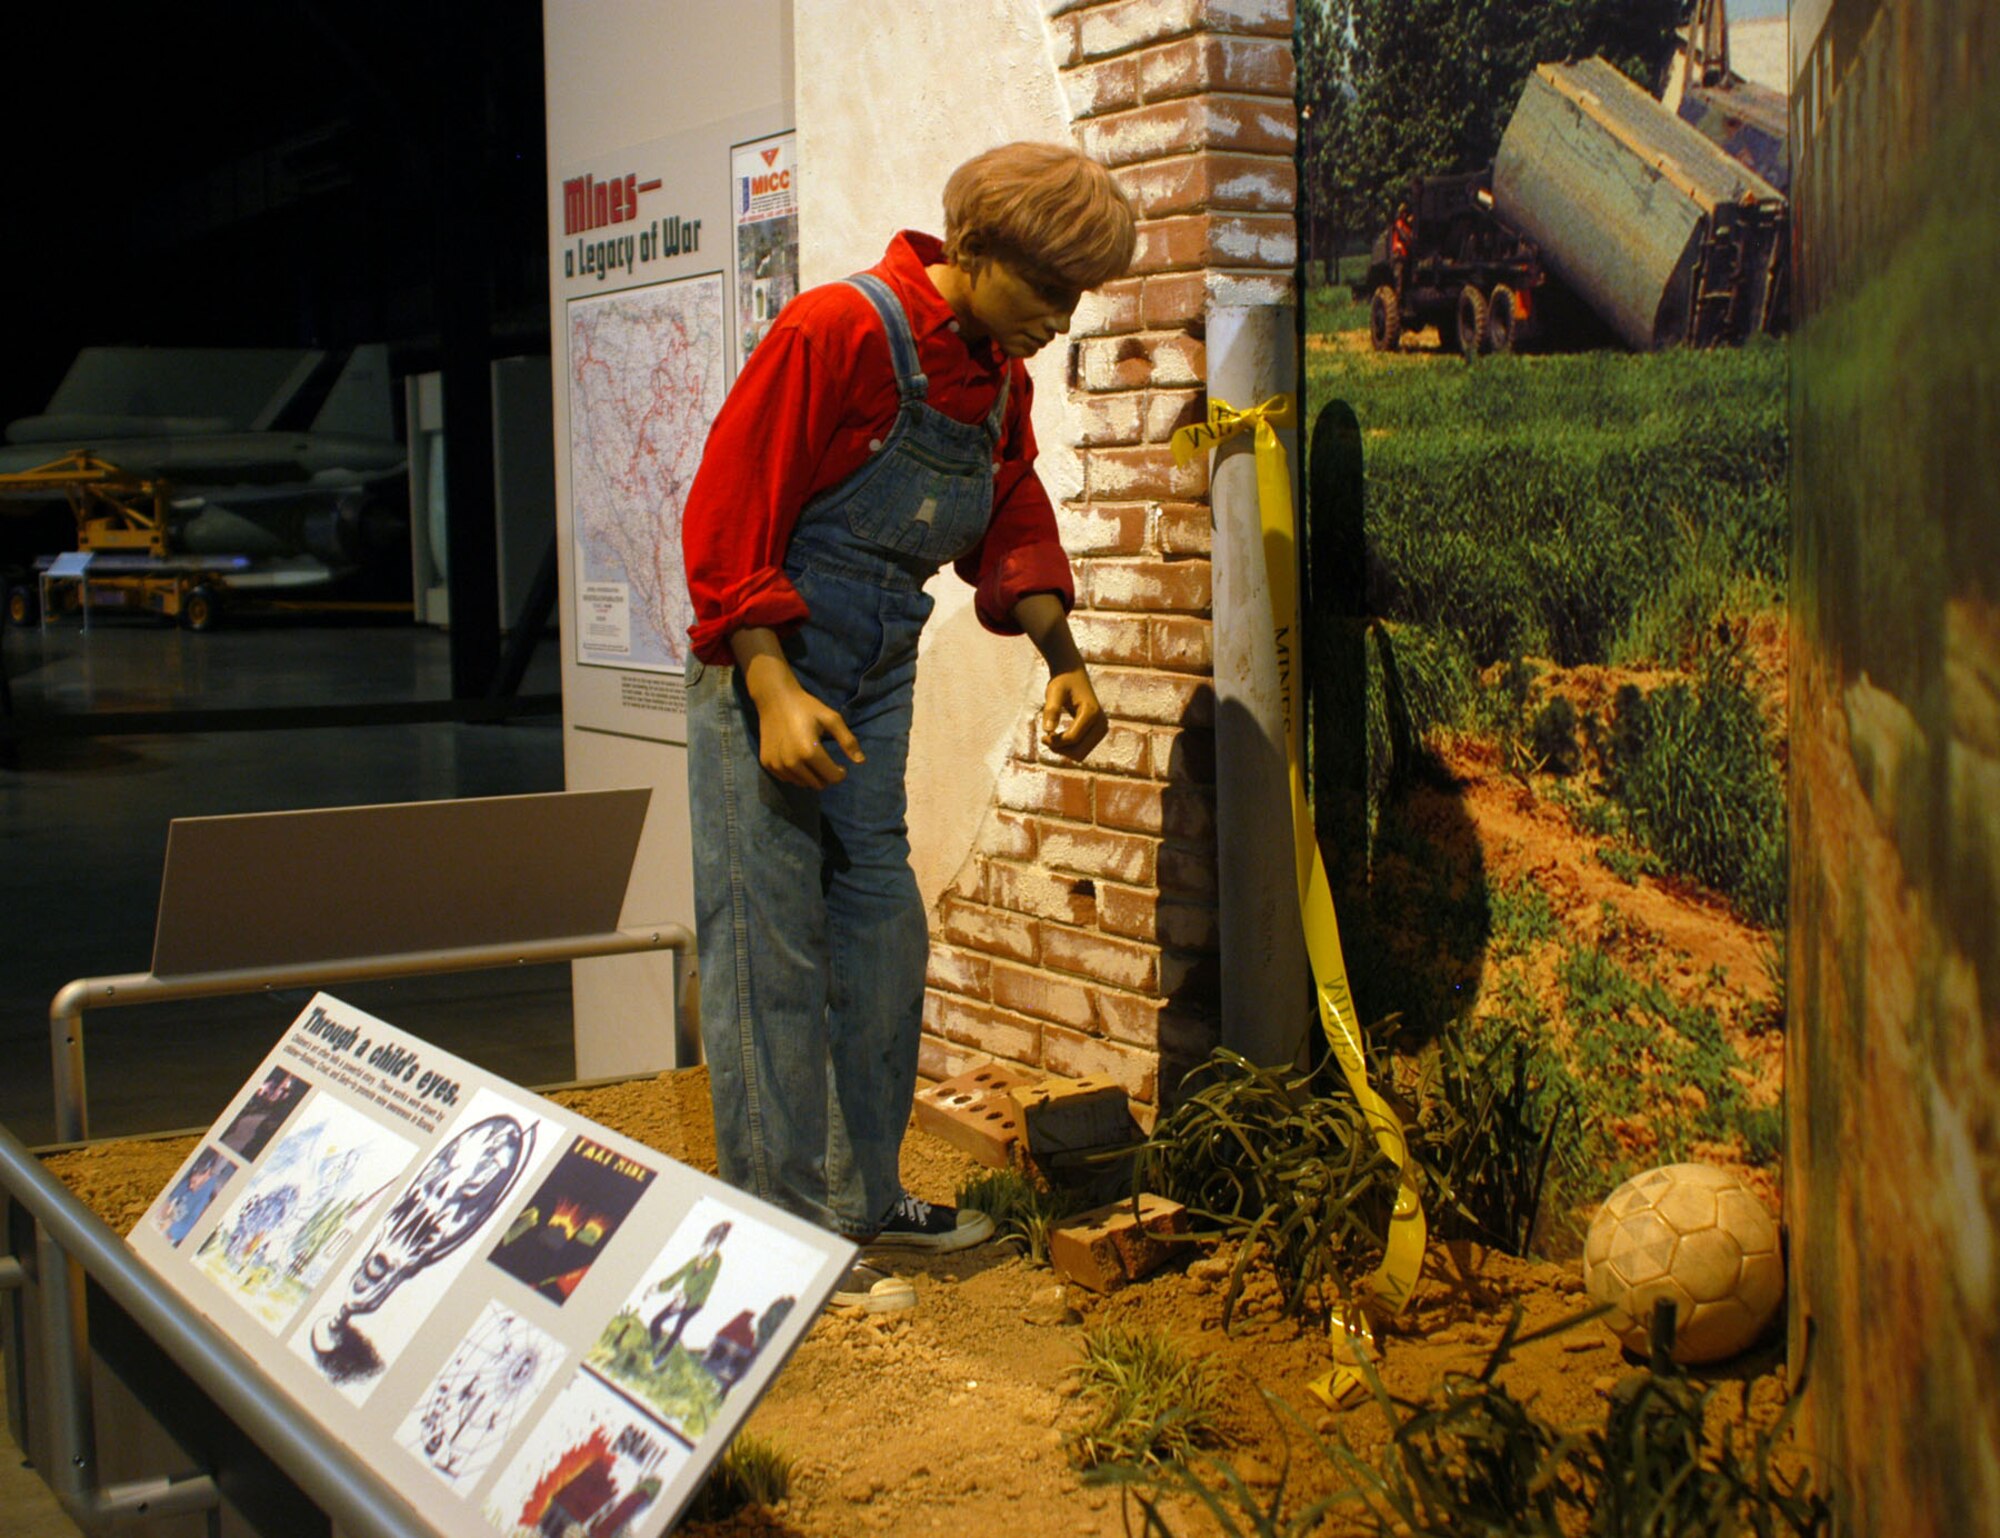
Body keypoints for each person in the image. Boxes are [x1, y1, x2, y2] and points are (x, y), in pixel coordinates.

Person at [681, 141, 1135, 1310]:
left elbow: (1010, 502)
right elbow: (731, 504)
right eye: (1046, 290)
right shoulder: (836, 330)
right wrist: (771, 685)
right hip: (768, 665)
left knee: (879, 931)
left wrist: (1061, 653)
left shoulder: (994, 377)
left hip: (877, 666)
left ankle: (861, 1202)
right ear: (974, 255)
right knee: (767, 940)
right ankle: (777, 1237)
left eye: (1075, 296)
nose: (1058, 318)